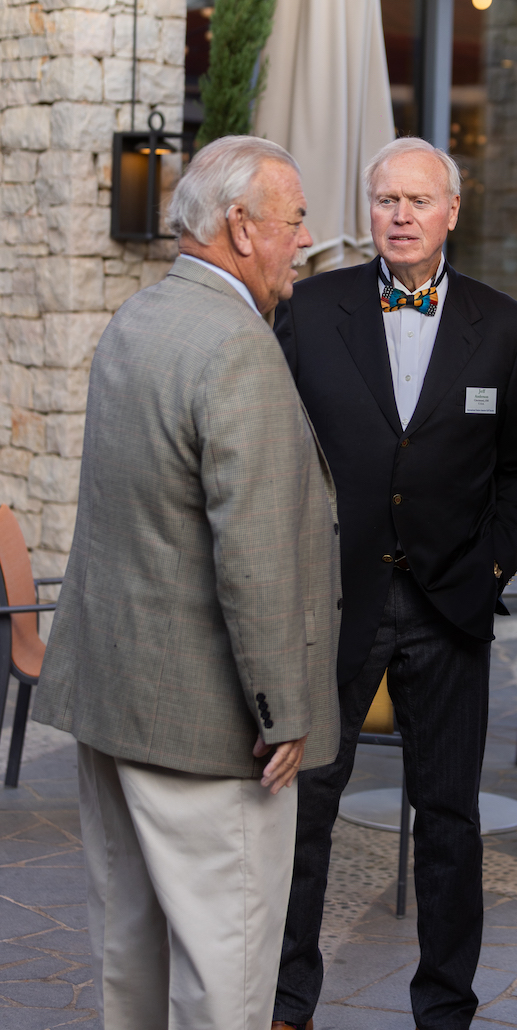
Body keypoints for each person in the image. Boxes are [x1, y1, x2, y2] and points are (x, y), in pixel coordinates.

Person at [33, 135, 343, 1030]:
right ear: (241, 228)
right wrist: (284, 708)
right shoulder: (238, 346)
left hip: (114, 699)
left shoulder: (138, 317)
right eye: (294, 220)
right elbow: (255, 554)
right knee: (225, 980)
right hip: (209, 729)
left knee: (128, 956)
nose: (305, 239)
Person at [271, 135, 517, 1030]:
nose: (400, 215)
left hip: (449, 608)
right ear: (369, 210)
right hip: (333, 602)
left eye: (418, 200)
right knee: (305, 810)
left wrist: (490, 566)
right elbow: (274, 450)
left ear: (452, 212)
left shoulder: (506, 327)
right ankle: (285, 1003)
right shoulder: (309, 310)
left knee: (449, 822)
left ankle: (445, 1010)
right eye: (386, 199)